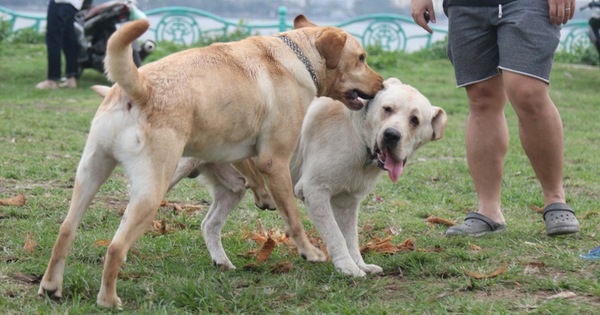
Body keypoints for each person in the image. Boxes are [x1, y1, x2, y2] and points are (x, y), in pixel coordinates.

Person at [410, 0, 581, 237]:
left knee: (528, 92)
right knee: (481, 98)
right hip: (466, 6)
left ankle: (555, 199)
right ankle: (489, 211)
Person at [35, 0, 84, 89]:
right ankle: (71, 78)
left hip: (59, 3)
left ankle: (52, 80)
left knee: (54, 41)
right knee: (69, 41)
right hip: (73, 5)